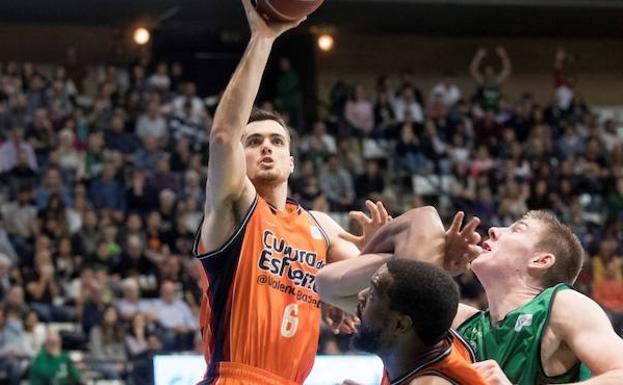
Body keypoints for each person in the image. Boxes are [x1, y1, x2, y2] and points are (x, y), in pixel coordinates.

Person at [192, 1, 368, 384]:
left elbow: (369, 286)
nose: (267, 147)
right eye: (254, 142)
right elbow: (223, 137)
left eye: (276, 141)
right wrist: (263, 38)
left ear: (291, 161)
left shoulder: (319, 225)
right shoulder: (235, 208)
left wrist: (376, 249)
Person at [354, 259, 488, 385]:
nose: (361, 296)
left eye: (372, 295)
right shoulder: (424, 339)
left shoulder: (430, 381)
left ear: (400, 325)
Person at [469, 46, 512, 111]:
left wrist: (503, 56)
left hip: (495, 110)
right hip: (483, 110)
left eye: (490, 73)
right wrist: (478, 56)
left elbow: (507, 70)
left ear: (493, 74)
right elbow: (472, 70)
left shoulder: (496, 82)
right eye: (486, 73)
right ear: (484, 75)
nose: (488, 75)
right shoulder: (482, 82)